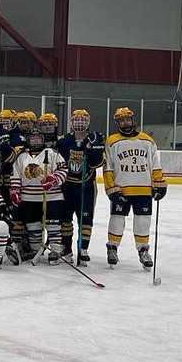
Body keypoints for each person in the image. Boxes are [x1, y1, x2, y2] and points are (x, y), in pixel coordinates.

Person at [103, 106, 166, 269]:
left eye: (128, 119)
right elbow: (108, 168)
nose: (125, 123)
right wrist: (111, 188)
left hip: (144, 190)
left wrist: (158, 182)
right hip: (121, 189)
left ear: (133, 120)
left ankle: (143, 250)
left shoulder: (147, 140)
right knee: (117, 219)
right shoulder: (112, 141)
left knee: (143, 221)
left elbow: (155, 165)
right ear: (117, 122)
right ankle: (112, 248)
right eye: (122, 120)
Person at [9, 127, 66, 264]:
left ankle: (56, 250)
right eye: (32, 138)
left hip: (52, 197)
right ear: (27, 140)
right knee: (33, 226)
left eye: (38, 138)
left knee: (53, 225)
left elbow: (63, 169)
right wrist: (15, 191)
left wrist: (53, 179)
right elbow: (16, 175)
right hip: (29, 198)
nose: (35, 140)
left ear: (43, 139)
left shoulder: (51, 153)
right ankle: (36, 249)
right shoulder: (21, 157)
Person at [57, 109, 105, 265]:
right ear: (71, 122)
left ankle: (83, 249)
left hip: (86, 186)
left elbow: (97, 163)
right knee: (65, 218)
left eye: (83, 120)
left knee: (85, 218)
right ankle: (66, 248)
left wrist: (95, 149)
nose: (79, 123)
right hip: (67, 185)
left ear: (88, 122)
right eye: (76, 120)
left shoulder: (94, 139)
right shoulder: (63, 141)